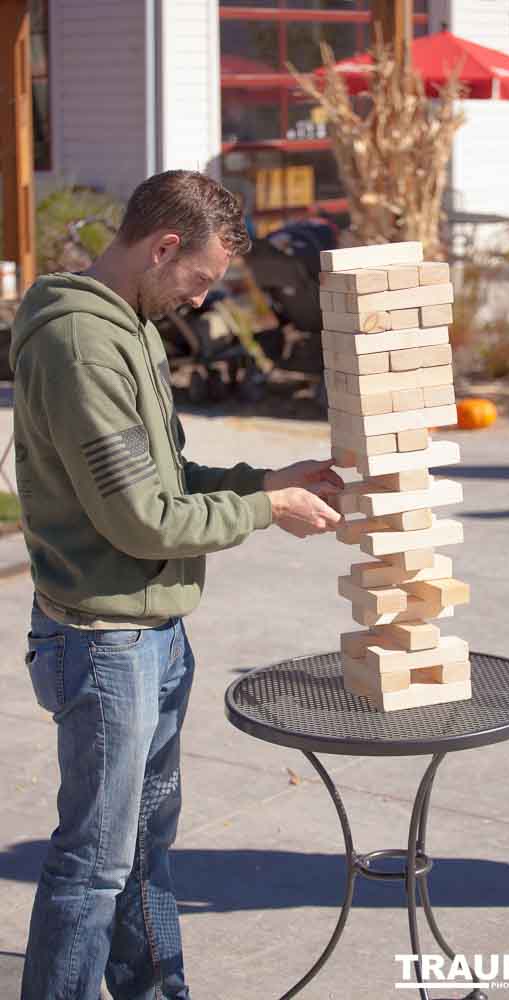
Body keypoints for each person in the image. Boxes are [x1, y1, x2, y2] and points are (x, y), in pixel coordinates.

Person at [10, 169, 342, 1000]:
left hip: (153, 635)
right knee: (95, 861)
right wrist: (267, 511)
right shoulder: (82, 344)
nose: (200, 302)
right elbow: (142, 521)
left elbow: (170, 476)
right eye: (198, 279)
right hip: (104, 644)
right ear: (163, 248)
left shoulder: (134, 325)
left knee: (145, 848)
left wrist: (263, 476)